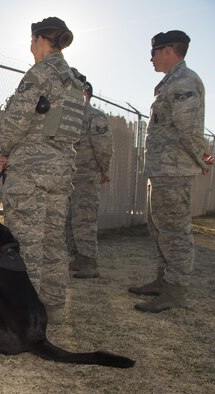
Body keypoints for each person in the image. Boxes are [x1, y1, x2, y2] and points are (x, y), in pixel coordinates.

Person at [0, 17, 85, 324]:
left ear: (40, 40)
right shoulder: (75, 81)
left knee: (25, 241)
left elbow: (14, 123)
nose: (30, 48)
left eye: (31, 41)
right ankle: (54, 307)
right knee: (53, 241)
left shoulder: (39, 73)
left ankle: (24, 312)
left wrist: (5, 151)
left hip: (31, 169)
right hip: (61, 170)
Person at [129, 30, 213, 313]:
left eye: (154, 52)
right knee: (159, 227)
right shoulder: (170, 82)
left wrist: (201, 157)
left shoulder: (183, 81)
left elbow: (188, 128)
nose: (150, 58)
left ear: (168, 51)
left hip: (173, 169)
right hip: (163, 169)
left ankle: (175, 291)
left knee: (174, 230)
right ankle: (163, 281)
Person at [65, 81, 113, 279]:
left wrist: (103, 170)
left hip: (86, 176)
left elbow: (104, 146)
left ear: (85, 93)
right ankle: (78, 257)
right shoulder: (69, 117)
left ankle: (89, 262)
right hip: (70, 176)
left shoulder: (94, 116)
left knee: (84, 219)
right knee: (70, 219)